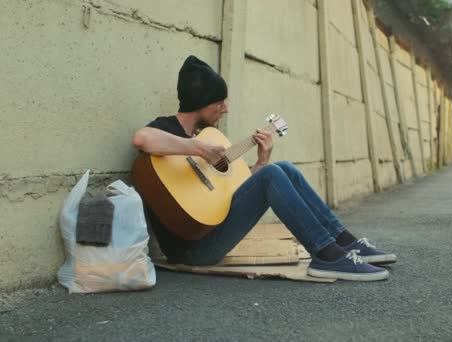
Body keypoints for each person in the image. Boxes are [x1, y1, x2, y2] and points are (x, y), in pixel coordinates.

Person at [132, 56, 396, 281]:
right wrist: (199, 149)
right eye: (219, 102)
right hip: (193, 248)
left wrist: (261, 161)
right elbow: (142, 139)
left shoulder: (205, 136)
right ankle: (326, 255)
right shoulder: (167, 128)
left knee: (283, 168)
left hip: (213, 231)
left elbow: (230, 196)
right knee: (272, 175)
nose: (225, 109)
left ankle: (343, 241)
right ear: (200, 102)